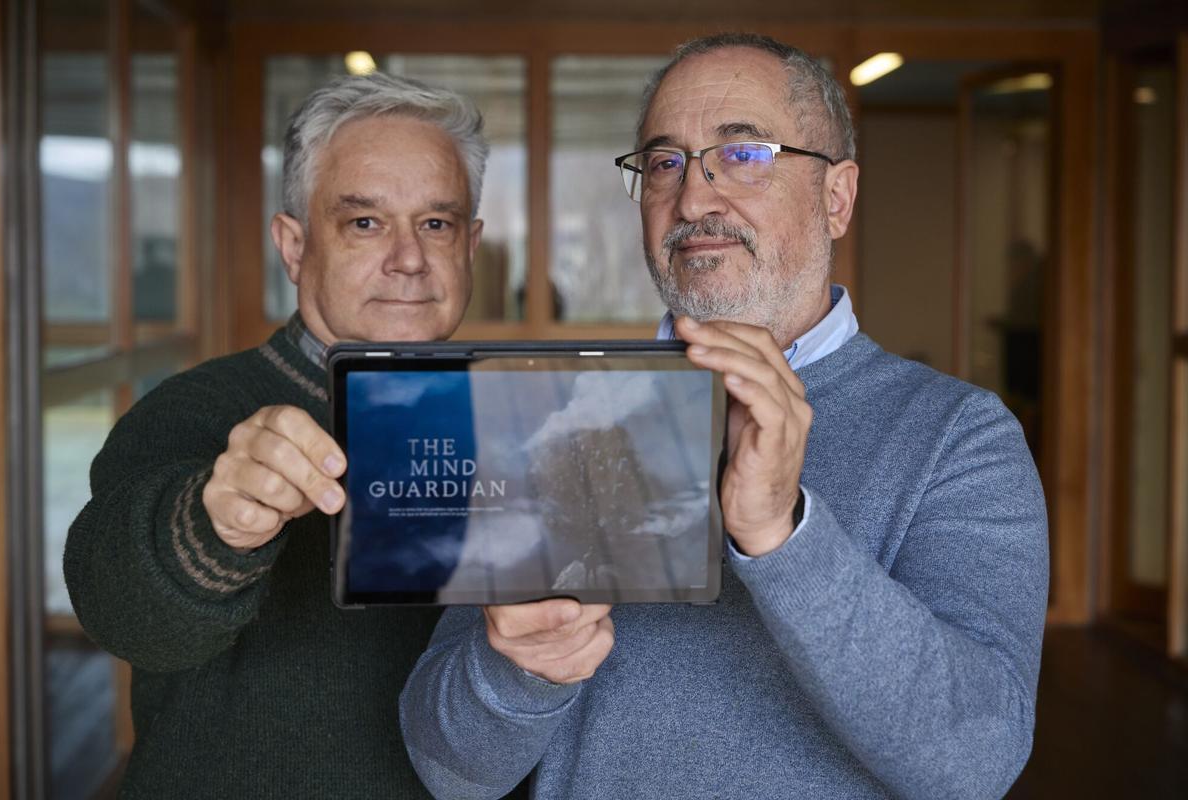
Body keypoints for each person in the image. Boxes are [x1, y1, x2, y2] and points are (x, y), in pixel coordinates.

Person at [400, 32, 1049, 800]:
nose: (694, 197)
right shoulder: (556, 413)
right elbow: (448, 773)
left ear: (836, 198)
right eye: (665, 161)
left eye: (744, 155)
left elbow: (975, 763)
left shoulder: (959, 437)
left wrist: (783, 534)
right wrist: (515, 671)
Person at [63, 72, 491, 798]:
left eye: (436, 223)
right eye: (364, 223)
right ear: (293, 247)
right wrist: (215, 522)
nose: (409, 258)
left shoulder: (513, 418)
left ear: (470, 245)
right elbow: (118, 611)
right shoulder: (194, 410)